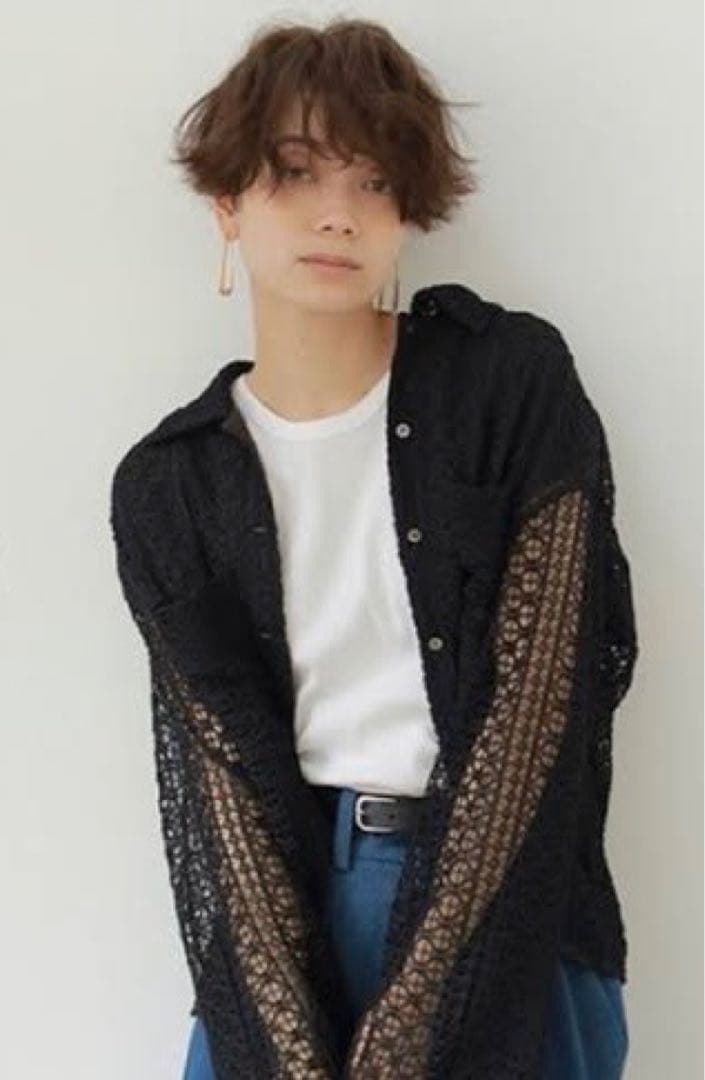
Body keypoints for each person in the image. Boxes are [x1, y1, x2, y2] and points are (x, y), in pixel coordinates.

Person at [110, 16, 638, 1080]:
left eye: (375, 182)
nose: (338, 213)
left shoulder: (507, 386)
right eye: (296, 173)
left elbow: (541, 707)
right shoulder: (168, 488)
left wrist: (410, 1030)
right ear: (226, 203)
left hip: (513, 906)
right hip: (290, 929)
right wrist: (293, 1048)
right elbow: (223, 801)